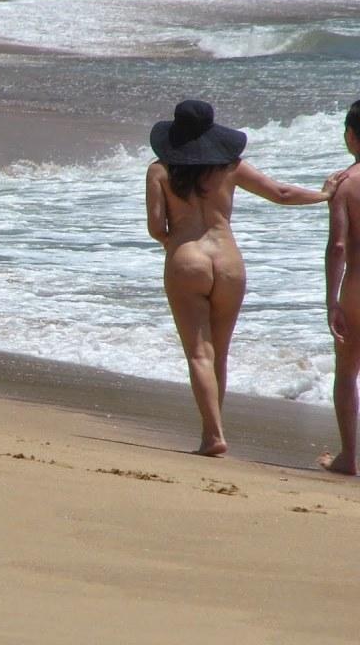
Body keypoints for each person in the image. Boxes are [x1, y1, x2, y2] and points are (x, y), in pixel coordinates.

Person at [146, 100, 340, 456]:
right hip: (229, 262)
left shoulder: (159, 170)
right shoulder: (230, 166)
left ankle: (213, 435)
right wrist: (324, 194)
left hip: (187, 258)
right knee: (219, 354)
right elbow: (281, 194)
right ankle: (213, 431)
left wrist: (177, 246)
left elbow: (157, 227)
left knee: (199, 354)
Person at [320, 102, 360, 475]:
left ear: (351, 135)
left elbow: (338, 247)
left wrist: (331, 301)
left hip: (356, 289)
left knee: (347, 371)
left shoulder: (345, 184)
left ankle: (349, 456)